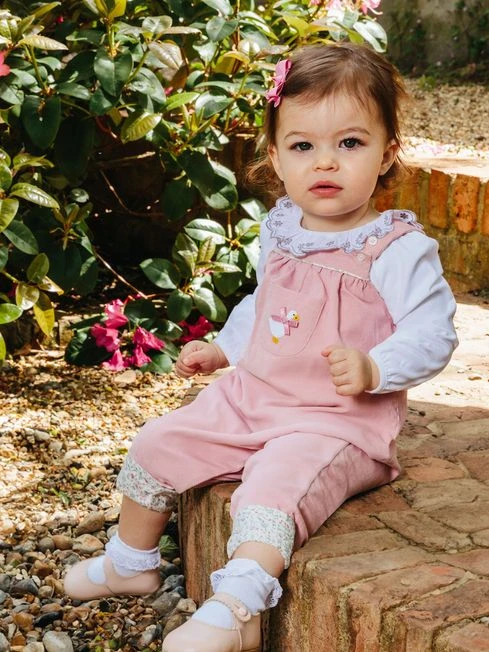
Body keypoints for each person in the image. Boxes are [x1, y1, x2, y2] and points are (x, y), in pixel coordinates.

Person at [64, 43, 458, 652]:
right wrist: (226, 349)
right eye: (302, 146)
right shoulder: (281, 230)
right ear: (275, 156)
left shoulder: (394, 248)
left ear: (386, 154)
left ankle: (238, 609)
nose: (325, 161)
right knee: (160, 440)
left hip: (335, 423)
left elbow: (434, 332)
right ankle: (130, 561)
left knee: (275, 485)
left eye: (350, 143)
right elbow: (267, 305)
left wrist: (376, 365)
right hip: (254, 399)